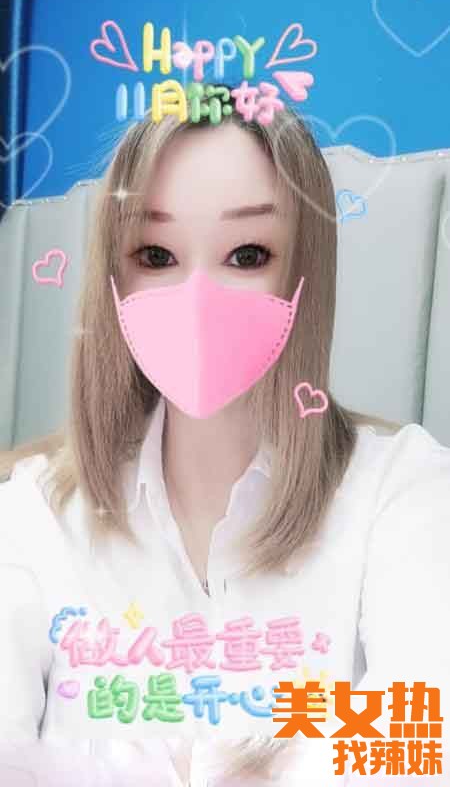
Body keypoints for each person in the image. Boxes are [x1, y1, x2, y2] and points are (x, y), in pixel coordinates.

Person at [0, 90, 449, 787]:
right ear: (113, 278)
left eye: (247, 253)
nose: (198, 297)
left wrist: (176, 764)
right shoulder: (36, 514)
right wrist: (270, 759)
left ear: (303, 271)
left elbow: (419, 743)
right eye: (156, 254)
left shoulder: (404, 490)